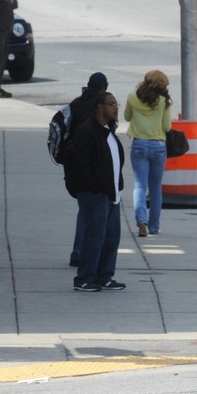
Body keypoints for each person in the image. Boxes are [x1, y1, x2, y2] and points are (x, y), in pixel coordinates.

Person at [64, 92, 126, 292]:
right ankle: (84, 278)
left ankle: (104, 276)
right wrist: (96, 188)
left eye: (116, 104)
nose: (116, 107)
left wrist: (116, 186)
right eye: (112, 104)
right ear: (100, 107)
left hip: (112, 194)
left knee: (111, 237)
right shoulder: (86, 131)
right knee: (94, 237)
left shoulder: (108, 129)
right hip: (95, 195)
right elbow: (81, 165)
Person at [124, 70, 173, 237]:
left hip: (139, 144)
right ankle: (154, 226)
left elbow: (127, 117)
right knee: (155, 188)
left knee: (140, 185)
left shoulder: (132, 97)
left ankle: (141, 223)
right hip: (158, 146)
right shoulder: (163, 101)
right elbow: (167, 127)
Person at [67, 72, 109, 268]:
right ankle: (88, 255)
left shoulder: (77, 104)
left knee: (84, 210)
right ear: (104, 87)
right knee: (97, 214)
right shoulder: (101, 108)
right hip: (96, 165)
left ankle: (78, 252)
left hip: (75, 163)